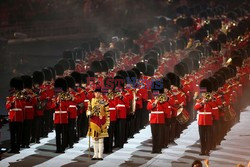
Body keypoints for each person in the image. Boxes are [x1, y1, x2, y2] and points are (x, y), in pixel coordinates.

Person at [87, 88, 109, 160]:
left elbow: (107, 113)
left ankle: (100, 155)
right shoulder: (91, 101)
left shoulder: (104, 102)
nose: (97, 94)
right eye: (95, 93)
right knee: (94, 139)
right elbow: (88, 110)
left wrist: (107, 123)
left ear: (100, 93)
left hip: (102, 122)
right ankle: (95, 154)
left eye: (98, 93)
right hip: (93, 121)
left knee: (100, 140)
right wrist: (88, 113)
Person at [6, 77, 25, 153]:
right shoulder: (9, 97)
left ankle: (17, 148)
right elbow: (7, 106)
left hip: (19, 117)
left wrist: (19, 99)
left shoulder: (22, 97)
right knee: (12, 134)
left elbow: (22, 106)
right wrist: (12, 102)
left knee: (19, 134)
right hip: (12, 117)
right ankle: (12, 148)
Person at [54, 78, 69, 153]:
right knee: (57, 134)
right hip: (57, 117)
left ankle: (63, 148)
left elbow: (68, 105)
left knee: (64, 134)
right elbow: (51, 106)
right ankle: (58, 148)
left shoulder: (66, 96)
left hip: (64, 117)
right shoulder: (55, 96)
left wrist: (63, 100)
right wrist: (56, 102)